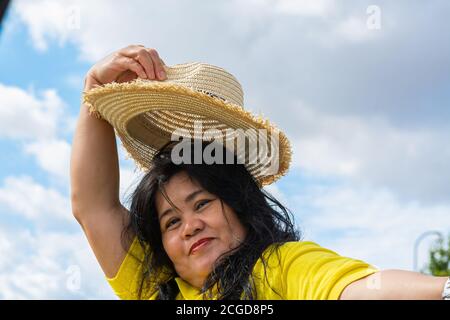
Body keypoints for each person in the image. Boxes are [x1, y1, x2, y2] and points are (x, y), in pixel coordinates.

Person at [70, 44, 450, 300]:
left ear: (240, 205)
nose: (189, 226)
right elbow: (94, 208)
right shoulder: (158, 289)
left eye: (201, 203)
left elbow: (360, 289)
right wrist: (93, 87)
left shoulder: (278, 267)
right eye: (170, 222)